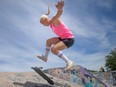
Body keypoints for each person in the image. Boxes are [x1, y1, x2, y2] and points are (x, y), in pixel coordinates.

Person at [37, 0, 75, 70]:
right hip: (63, 38)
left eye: (43, 24)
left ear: (45, 19)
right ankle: (45, 57)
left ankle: (69, 62)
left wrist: (60, 9)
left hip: (69, 39)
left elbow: (59, 14)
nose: (44, 26)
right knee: (48, 41)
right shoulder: (51, 25)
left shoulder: (54, 20)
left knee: (54, 49)